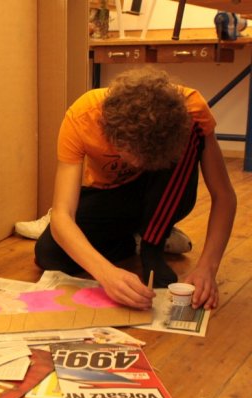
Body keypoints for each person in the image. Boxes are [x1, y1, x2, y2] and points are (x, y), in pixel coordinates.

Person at [34, 67, 236, 311]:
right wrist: (106, 273)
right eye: (133, 156)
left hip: (168, 192)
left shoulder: (192, 106)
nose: (139, 166)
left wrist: (207, 268)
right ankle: (138, 236)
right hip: (114, 196)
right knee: (49, 254)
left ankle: (153, 243)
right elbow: (62, 214)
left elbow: (224, 196)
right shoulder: (82, 117)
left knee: (192, 130)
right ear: (114, 135)